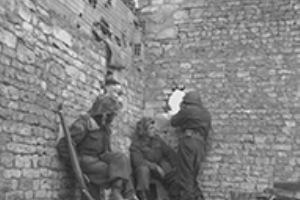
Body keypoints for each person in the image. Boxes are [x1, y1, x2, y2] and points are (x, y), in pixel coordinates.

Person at [61, 95, 137, 200]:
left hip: (101, 157)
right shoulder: (83, 124)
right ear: (105, 114)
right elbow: (64, 145)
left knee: (122, 159)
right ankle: (121, 195)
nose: (113, 119)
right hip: (87, 160)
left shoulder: (104, 127)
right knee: (112, 171)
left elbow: (107, 150)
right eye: (112, 115)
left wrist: (116, 162)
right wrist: (75, 164)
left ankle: (121, 193)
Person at [170, 90, 212, 200]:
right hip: (200, 144)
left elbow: (174, 122)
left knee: (185, 176)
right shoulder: (206, 114)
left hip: (189, 141)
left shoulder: (188, 110)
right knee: (193, 175)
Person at [130, 117, 177, 200]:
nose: (154, 130)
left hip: (159, 168)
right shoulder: (136, 144)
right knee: (143, 170)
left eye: (154, 128)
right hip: (146, 170)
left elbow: (169, 153)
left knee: (168, 167)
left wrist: (176, 167)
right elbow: (137, 161)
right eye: (151, 128)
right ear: (144, 130)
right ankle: (143, 196)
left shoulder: (157, 140)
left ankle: (174, 194)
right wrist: (154, 166)